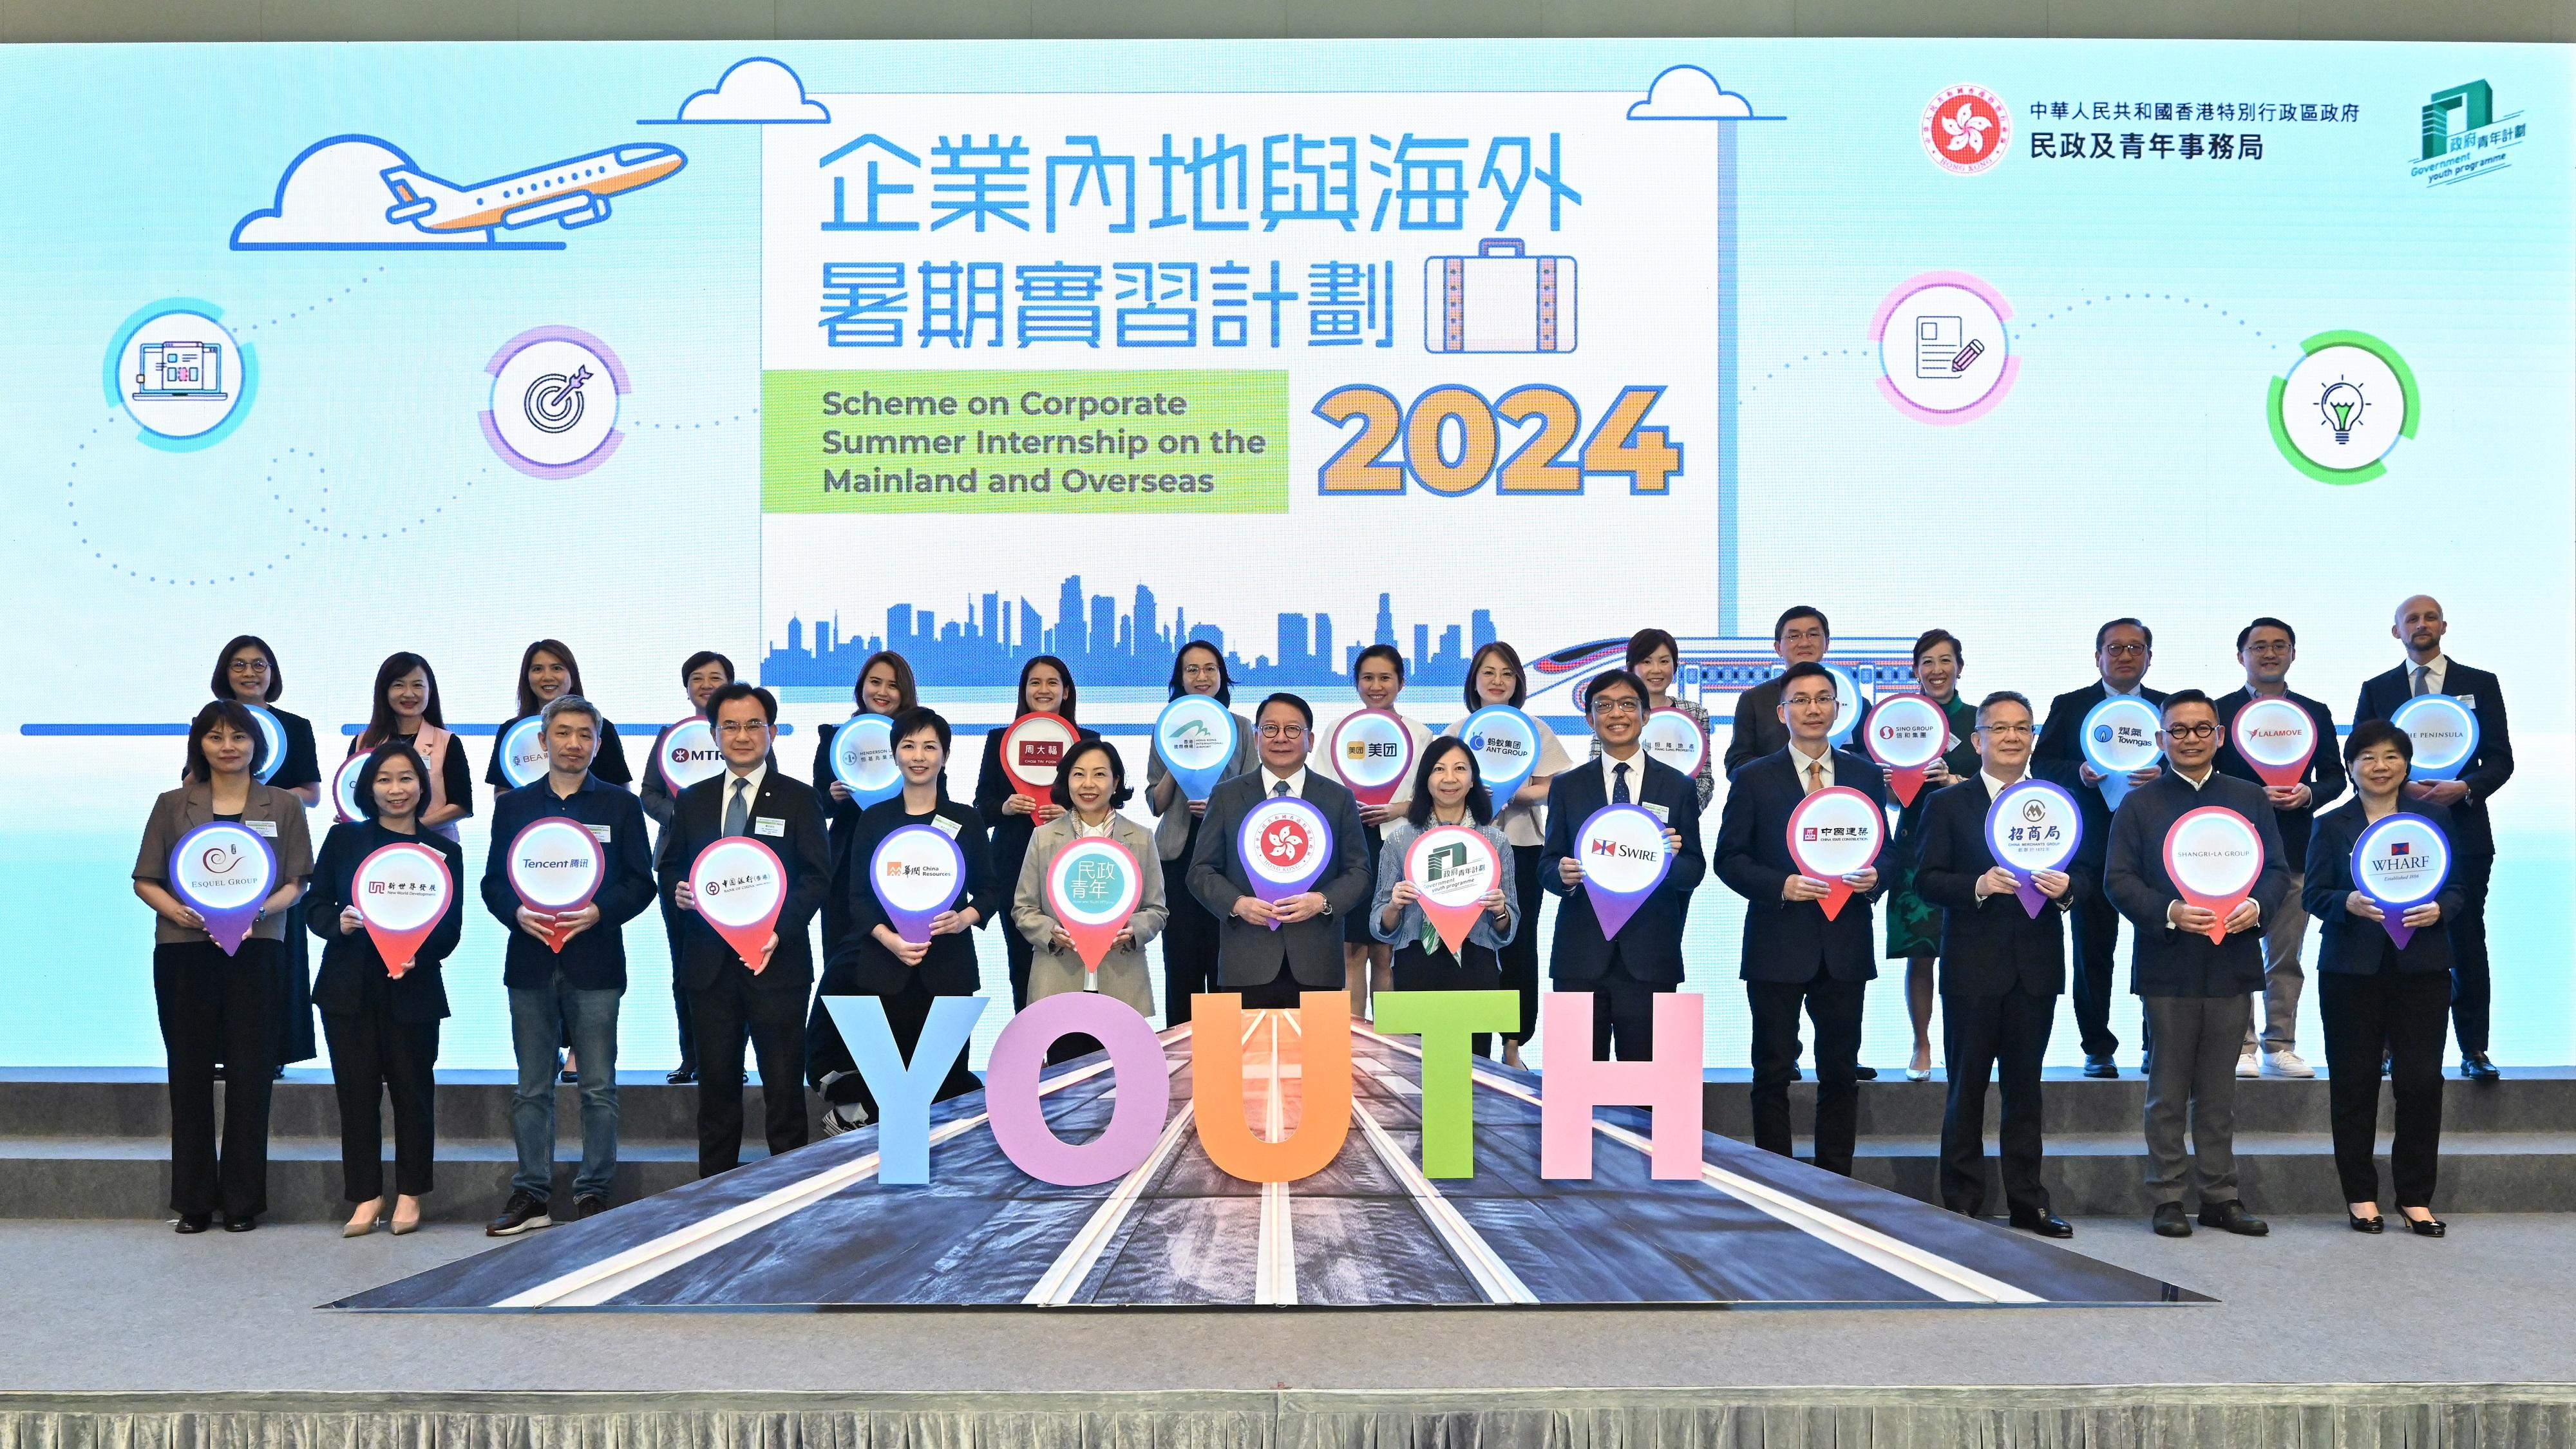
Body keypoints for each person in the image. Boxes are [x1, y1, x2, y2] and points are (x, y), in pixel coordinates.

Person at [2103, 690, 2288, 1239]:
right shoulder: (2139, 805)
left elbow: (2276, 871)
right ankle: (2166, 1196)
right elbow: (2118, 881)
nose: (2189, 739)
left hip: (2231, 960)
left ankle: (2219, 1196)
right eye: (2178, 731)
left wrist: (2257, 907)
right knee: (2167, 1088)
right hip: (2168, 963)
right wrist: (2168, 911)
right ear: (2160, 739)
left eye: (2200, 729)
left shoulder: (2249, 798)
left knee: (2220, 1091)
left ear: (2221, 735)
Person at [131, 700, 313, 1233]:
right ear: (200, 746)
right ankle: (192, 1202)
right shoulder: (171, 804)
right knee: (187, 1074)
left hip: (257, 949)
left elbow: (296, 883)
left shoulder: (282, 805)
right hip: (185, 951)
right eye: (215, 737)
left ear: (258, 745)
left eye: (238, 736)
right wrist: (181, 912)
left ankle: (241, 1203)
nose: (228, 746)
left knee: (252, 1074)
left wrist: (255, 909)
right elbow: (146, 878)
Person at [477, 695, 654, 1235]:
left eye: (585, 735)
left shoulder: (620, 807)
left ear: (598, 744)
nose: (574, 744)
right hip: (530, 960)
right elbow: (492, 883)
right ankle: (531, 1193)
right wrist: (516, 913)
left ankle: (594, 1192)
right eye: (563, 733)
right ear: (543, 740)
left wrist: (601, 911)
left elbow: (641, 883)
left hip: (595, 960)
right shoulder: (514, 806)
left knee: (598, 1085)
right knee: (533, 1087)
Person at [1911, 691, 2078, 1236]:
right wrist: (1977, 886)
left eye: (2022, 728)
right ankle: (1961, 1199)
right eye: (1999, 728)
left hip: (2036, 967)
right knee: (1967, 1087)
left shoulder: (2056, 802)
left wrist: (2069, 892)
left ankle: (2029, 1202)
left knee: (2026, 1089)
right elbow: (1926, 881)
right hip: (1972, 968)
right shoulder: (1948, 805)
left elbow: (2091, 880)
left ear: (2032, 739)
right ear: (1978, 740)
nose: (2012, 737)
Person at [1714, 661, 1886, 1175]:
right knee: (1771, 1071)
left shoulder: (1863, 774)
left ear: (1838, 707)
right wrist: (1781, 886)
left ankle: (1838, 1182)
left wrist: (1878, 877)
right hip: (1776, 941)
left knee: (1840, 1074)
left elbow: (1890, 852)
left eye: (1823, 698)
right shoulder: (1753, 776)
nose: (1814, 708)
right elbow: (1730, 858)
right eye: (1802, 700)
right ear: (1782, 711)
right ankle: (1777, 1179)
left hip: (1845, 943)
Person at [657, 684, 829, 1179]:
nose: (742, 735)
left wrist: (779, 928)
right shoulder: (693, 800)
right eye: (729, 726)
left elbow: (818, 877)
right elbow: (670, 867)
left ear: (772, 732)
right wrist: (679, 890)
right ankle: (712, 1196)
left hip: (779, 964)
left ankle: (791, 1195)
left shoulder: (799, 798)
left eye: (754, 724)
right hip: (709, 970)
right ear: (714, 735)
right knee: (716, 1089)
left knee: (783, 1091)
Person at [2306, 719, 2460, 1236]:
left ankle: (2415, 1197)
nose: (2379, 766)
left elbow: (2461, 888)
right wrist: (2344, 903)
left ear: (2407, 764)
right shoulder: (2331, 825)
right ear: (2350, 767)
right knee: (2354, 1084)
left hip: (2423, 969)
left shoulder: (2434, 819)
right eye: (2367, 756)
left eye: (2391, 756)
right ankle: (2360, 1195)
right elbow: (2313, 895)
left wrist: (2441, 909)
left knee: (2420, 1083)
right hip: (2352, 970)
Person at [2353, 594, 2514, 1083]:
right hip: (2390, 836)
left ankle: (2474, 1050)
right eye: (2411, 620)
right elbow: (2357, 757)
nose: (2421, 625)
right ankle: (2387, 1051)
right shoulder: (2376, 688)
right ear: (2396, 631)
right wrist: (2400, 786)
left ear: (2444, 624)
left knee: (2466, 940)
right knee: (2391, 938)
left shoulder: (2480, 685)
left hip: (2462, 833)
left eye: (2429, 617)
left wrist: (2465, 787)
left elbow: (2501, 759)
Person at [307, 741, 464, 1237]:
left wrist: (420, 951)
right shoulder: (343, 842)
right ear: (367, 788)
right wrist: (340, 922)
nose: (396, 790)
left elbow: (451, 928)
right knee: (355, 1096)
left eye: (406, 779)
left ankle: (411, 1194)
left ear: (422, 785)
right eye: (384, 780)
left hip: (412, 990)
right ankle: (365, 1196)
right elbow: (314, 908)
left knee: (413, 1094)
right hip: (348, 988)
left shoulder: (444, 851)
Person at [833, 706, 994, 1119]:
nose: (918, 756)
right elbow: (857, 899)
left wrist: (965, 918)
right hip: (884, 971)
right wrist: (890, 940)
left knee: (949, 1087)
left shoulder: (966, 818)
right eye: (908, 746)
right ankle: (890, 1175)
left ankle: (950, 1178)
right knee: (889, 1092)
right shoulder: (874, 820)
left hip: (949, 969)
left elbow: (992, 890)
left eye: (929, 746)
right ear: (895, 755)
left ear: (945, 756)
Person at [1541, 669, 1702, 1059]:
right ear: (1589, 719)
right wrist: (1561, 876)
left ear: (1646, 716)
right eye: (1605, 706)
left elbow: (1694, 871)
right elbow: (1547, 865)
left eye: (1629, 704)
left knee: (1647, 1096)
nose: (1618, 713)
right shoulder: (1567, 786)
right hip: (1580, 956)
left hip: (1650, 956)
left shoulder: (1677, 785)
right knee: (1576, 1090)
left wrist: (1668, 863)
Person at [2213, 617, 2347, 1080]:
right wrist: (2250, 793)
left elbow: (2335, 776)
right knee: (2236, 951)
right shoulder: (2218, 713)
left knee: (2286, 955)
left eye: (2279, 646)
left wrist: (2309, 794)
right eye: (2259, 647)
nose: (2269, 653)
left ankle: (2280, 1044)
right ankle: (2241, 1045)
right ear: (2241, 657)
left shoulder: (2315, 712)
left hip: (2293, 851)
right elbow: (2204, 777)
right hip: (2230, 853)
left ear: (2293, 653)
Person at [2034, 618, 2168, 1078]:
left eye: (2136, 647)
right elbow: (2043, 765)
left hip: (2156, 849)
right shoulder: (2071, 706)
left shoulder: (2168, 708)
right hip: (2090, 847)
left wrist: (2165, 774)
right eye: (2115, 647)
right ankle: (2097, 1045)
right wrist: (2081, 774)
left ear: (2150, 657)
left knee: (2160, 943)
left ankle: (2158, 1044)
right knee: (2092, 951)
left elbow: (2195, 767)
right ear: (2098, 657)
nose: (2125, 655)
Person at [1187, 692, 1372, 1009]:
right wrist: (1237, 904)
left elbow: (1359, 872)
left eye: (1293, 730)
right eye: (1270, 729)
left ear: (1310, 739)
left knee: (1318, 1059)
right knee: (1247, 1059)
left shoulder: (1338, 798)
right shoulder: (1227, 796)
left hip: (1318, 961)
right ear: (1257, 738)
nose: (1281, 738)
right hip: (1246, 960)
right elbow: (1200, 871)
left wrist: (1323, 902)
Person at [1446, 641, 1571, 1068]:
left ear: (1518, 681)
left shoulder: (1534, 727)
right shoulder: (1458, 729)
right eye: (1488, 672)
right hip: (1466, 850)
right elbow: (1436, 786)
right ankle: (1470, 1043)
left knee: (1518, 944)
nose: (1498, 681)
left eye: (1507, 673)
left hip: (1523, 847)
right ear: (1474, 681)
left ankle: (1514, 1044)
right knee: (1470, 943)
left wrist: (1518, 794)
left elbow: (1557, 785)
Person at [807, 649, 918, 1115]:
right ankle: (840, 1076)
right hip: (847, 866)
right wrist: (831, 798)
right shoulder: (836, 740)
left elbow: (941, 799)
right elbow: (813, 807)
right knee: (844, 965)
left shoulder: (918, 738)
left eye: (892, 684)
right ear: (861, 687)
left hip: (904, 871)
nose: (883, 691)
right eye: (875, 681)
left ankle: (885, 1084)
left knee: (893, 971)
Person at [206, 636, 323, 1077]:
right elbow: (191, 781)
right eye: (239, 664)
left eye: (259, 664)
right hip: (216, 854)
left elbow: (311, 794)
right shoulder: (208, 721)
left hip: (277, 848)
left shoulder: (296, 726)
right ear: (225, 673)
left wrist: (255, 798)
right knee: (220, 946)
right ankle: (221, 1050)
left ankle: (273, 1051)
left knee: (276, 949)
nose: (250, 673)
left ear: (272, 673)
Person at [1015, 739, 1170, 1056]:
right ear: (1066, 781)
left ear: (1116, 783)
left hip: (1122, 982)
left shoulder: (1140, 838)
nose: (1088, 784)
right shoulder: (1044, 837)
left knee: (1120, 1088)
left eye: (1100, 774)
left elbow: (1157, 909)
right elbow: (1024, 908)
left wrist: (1133, 930)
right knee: (1064, 1092)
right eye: (1078, 774)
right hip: (1059, 980)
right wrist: (1051, 933)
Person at [1873, 629, 1978, 1081]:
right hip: (1915, 842)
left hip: (1971, 848)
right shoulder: (1896, 718)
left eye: (1945, 660)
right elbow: (1895, 800)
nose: (1937, 670)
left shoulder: (1978, 719)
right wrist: (1888, 785)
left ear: (1960, 665)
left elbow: (2004, 784)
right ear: (1915, 670)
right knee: (1922, 950)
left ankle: (1968, 1043)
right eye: (1927, 662)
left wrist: (1957, 784)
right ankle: (1921, 1042)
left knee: (1971, 949)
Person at [1372, 738, 1518, 1059]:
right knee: (1415, 1073)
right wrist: (1395, 905)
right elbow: (1379, 925)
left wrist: (1500, 911)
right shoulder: (1400, 839)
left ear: (1473, 779)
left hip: (1476, 964)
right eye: (1439, 769)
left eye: (1460, 769)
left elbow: (1508, 929)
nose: (1449, 778)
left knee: (1476, 1074)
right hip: (1417, 961)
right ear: (1425, 778)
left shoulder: (1495, 841)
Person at [974, 656, 1098, 1012]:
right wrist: (1004, 807)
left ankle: (1075, 1051)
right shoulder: (1001, 739)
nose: (1043, 690)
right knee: (1021, 963)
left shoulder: (1087, 741)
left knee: (1075, 960)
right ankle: (1030, 1052)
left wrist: (1073, 814)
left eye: (1052, 682)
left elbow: (1105, 805)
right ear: (1024, 690)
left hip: (1072, 865)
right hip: (1012, 864)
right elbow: (980, 807)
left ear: (1066, 691)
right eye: (1034, 682)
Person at [1144, 641, 1258, 1028]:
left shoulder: (1242, 728)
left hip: (1230, 860)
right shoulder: (1166, 726)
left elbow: (1254, 798)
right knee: (1181, 963)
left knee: (1226, 961)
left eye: (1210, 669)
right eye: (1191, 670)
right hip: (1177, 857)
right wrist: (1179, 756)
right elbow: (1154, 804)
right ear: (1180, 678)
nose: (1202, 677)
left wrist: (1219, 808)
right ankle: (1180, 1061)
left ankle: (1229, 1059)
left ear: (1222, 676)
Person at [639, 649, 736, 1085]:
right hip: (677, 863)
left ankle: (732, 1058)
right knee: (685, 965)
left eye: (715, 677)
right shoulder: (669, 736)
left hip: (736, 865)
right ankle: (690, 1057)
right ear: (687, 689)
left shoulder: (741, 734)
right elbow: (649, 795)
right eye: (697, 678)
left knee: (737, 962)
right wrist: (686, 816)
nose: (706, 684)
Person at [1334, 644, 1438, 1019]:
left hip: (1401, 847)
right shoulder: (1339, 732)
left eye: (1385, 678)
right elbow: (1320, 793)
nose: (1376, 686)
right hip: (1349, 851)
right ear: (1356, 683)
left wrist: (1396, 809)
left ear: (1401, 682)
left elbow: (1436, 796)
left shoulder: (1421, 735)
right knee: (1350, 950)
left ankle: (1391, 1049)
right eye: (1367, 678)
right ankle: (1352, 1048)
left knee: (1387, 950)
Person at [486, 639, 632, 803]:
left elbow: (622, 794)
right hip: (531, 827)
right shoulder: (511, 731)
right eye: (537, 669)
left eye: (557, 668)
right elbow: (502, 793)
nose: (547, 677)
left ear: (573, 677)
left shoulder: (601, 728)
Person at [350, 652, 473, 840]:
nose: (409, 693)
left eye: (417, 685)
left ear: (430, 690)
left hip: (435, 845)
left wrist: (409, 827)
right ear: (384, 691)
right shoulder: (363, 742)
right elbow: (353, 798)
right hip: (373, 845)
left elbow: (462, 806)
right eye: (399, 685)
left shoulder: (448, 742)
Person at [1597, 628, 1715, 810]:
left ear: (1675, 666)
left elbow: (1704, 781)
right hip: (1619, 822)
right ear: (1631, 668)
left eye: (1664, 661)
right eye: (1646, 661)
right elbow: (1596, 771)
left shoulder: (1695, 714)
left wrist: (1679, 814)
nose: (1656, 670)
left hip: (1676, 828)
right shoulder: (1613, 713)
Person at [1723, 606, 1831, 776]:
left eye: (1813, 634)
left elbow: (1868, 759)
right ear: (1778, 648)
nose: (1804, 642)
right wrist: (1789, 769)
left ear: (1827, 644)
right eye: (1794, 636)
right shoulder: (1754, 700)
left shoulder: (1855, 702)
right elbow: (1737, 763)